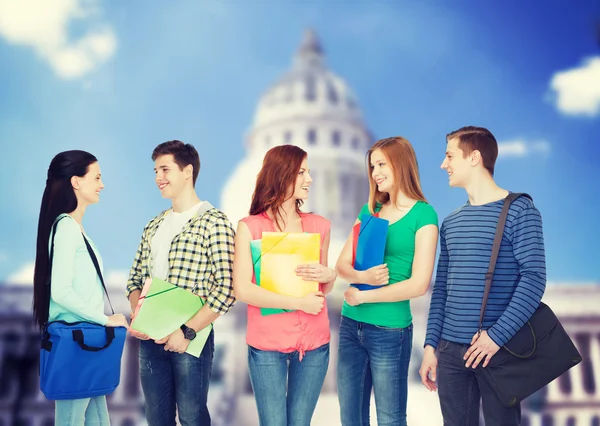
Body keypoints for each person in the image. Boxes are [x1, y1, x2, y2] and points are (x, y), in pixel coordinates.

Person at [420, 126, 546, 425]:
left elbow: (533, 279)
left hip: (498, 351)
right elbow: (441, 291)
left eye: (449, 156)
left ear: (474, 157)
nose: (443, 164)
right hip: (450, 354)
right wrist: (430, 346)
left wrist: (496, 337)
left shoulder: (521, 211)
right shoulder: (450, 223)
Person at [126, 140, 235, 426]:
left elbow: (227, 288)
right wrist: (142, 319)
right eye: (155, 171)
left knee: (191, 417)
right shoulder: (153, 225)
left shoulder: (214, 222)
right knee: (156, 418)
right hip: (151, 341)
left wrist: (185, 332)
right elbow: (134, 280)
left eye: (165, 169)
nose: (158, 178)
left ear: (187, 171)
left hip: (190, 338)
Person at [335, 137, 439, 426]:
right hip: (350, 326)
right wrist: (361, 277)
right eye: (372, 166)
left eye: (381, 164)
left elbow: (419, 284)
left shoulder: (424, 215)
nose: (375, 172)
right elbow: (342, 264)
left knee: (391, 419)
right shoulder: (369, 211)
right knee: (351, 418)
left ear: (401, 164)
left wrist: (365, 295)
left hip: (390, 331)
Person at [232, 145, 336, 426]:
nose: (309, 179)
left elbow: (321, 289)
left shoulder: (320, 226)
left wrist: (330, 276)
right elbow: (242, 289)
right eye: (302, 172)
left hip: (314, 342)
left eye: (309, 172)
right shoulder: (249, 227)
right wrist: (298, 303)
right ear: (282, 174)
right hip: (267, 344)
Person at [33, 150, 129, 426]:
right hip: (77, 342)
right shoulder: (66, 228)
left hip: (85, 343)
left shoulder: (75, 228)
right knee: (72, 420)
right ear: (76, 182)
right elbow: (61, 292)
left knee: (99, 420)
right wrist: (105, 319)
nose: (102, 184)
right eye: (96, 177)